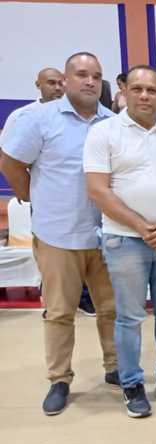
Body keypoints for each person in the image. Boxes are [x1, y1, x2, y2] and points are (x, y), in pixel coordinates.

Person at [0, 53, 117, 416]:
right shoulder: (39, 119)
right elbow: (10, 162)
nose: (90, 82)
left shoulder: (113, 123)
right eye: (81, 75)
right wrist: (32, 196)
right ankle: (59, 379)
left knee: (112, 310)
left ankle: (116, 368)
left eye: (96, 76)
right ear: (65, 80)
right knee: (60, 312)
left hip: (106, 234)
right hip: (57, 235)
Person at [85, 65, 156, 418]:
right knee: (130, 318)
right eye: (137, 89)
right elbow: (98, 190)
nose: (145, 95)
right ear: (125, 92)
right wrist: (143, 225)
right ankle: (132, 383)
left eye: (152, 90)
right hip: (125, 241)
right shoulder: (104, 132)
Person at [0, 67, 63, 146]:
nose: (58, 88)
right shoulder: (20, 115)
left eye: (61, 84)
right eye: (51, 83)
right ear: (38, 85)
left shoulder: (74, 115)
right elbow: (3, 148)